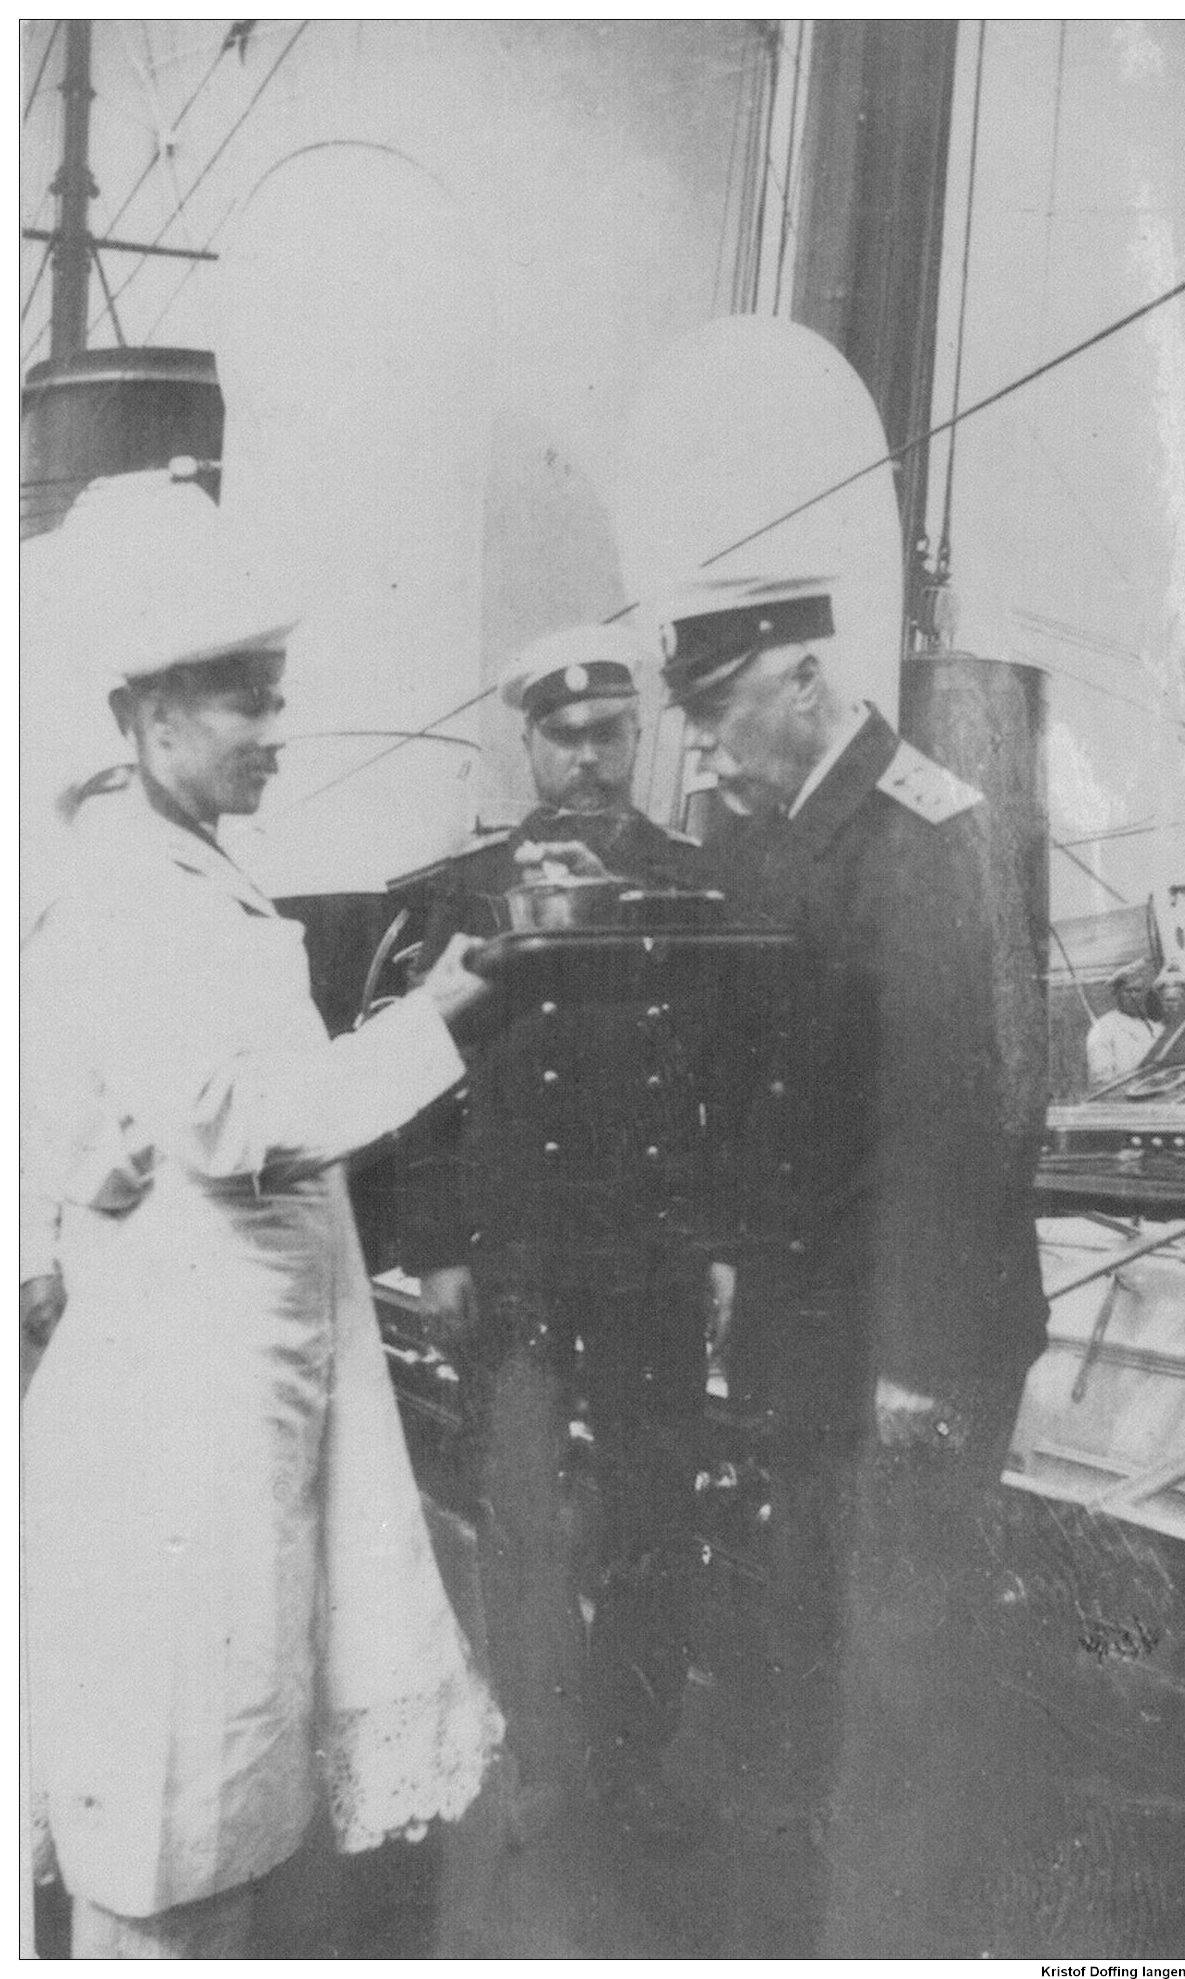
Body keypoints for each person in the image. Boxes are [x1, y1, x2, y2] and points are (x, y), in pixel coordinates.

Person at [20, 470, 503, 1959]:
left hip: (231, 1387)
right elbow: (229, 1115)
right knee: (179, 1789)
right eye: (249, 697)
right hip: (190, 1414)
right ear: (150, 712)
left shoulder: (172, 867)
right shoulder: (133, 885)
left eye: (276, 692)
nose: (277, 727)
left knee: (209, 1776)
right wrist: (435, 1018)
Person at [655, 577, 1050, 1949]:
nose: (702, 745)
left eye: (718, 709)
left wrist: (913, 1359)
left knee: (899, 1669)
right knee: (820, 1648)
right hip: (817, 1332)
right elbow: (769, 1090)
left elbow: (969, 1113)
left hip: (908, 1342)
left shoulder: (924, 832)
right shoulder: (779, 843)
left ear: (805, 681)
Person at [391, 624, 723, 1841]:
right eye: (566, 737)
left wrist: (723, 1241)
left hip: (650, 1249)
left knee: (651, 1502)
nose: (589, 758)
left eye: (609, 734)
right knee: (522, 1502)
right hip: (515, 1249)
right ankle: (540, 1751)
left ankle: (635, 1755)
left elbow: (726, 1070)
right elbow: (423, 1079)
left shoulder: (689, 882)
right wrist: (437, 1247)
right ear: (528, 744)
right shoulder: (468, 890)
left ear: (638, 735)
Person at [1084, 960, 1162, 1089]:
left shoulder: (1154, 1027)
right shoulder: (1103, 1029)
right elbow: (1101, 1081)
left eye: (1138, 990)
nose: (1134, 996)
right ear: (1117, 994)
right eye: (1128, 991)